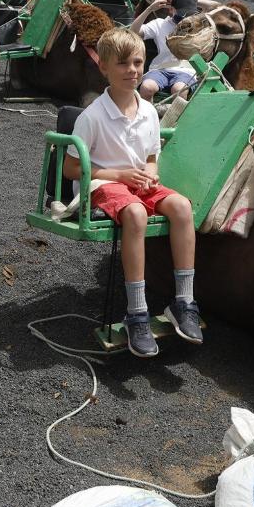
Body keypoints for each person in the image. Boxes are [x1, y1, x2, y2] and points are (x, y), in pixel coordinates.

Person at [64, 27, 200, 358]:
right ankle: (137, 312)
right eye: (123, 63)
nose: (132, 70)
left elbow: (151, 157)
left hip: (135, 182)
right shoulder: (93, 116)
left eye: (138, 62)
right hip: (102, 184)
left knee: (182, 207)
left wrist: (150, 174)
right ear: (104, 67)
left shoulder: (149, 111)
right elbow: (71, 169)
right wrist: (119, 175)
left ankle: (184, 301)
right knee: (136, 213)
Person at [130, 0, 198, 101]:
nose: (184, 17)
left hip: (185, 70)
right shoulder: (160, 24)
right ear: (171, 9)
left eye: (188, 13)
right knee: (147, 87)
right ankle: (146, 112)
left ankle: (176, 113)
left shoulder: (198, 24)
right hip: (160, 69)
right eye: (181, 13)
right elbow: (133, 32)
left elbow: (216, 7)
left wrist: (193, 1)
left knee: (179, 90)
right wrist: (149, 9)